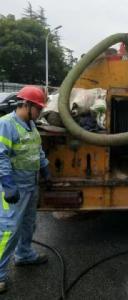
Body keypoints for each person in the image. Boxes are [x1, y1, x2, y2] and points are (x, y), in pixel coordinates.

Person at [0, 86, 50, 293]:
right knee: (9, 229)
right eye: (38, 108)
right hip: (14, 186)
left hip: (30, 184)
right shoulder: (6, 124)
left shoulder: (30, 125)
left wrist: (45, 167)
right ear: (26, 105)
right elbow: (1, 155)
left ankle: (24, 254)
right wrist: (8, 184)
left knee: (29, 223)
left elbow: (36, 149)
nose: (39, 112)